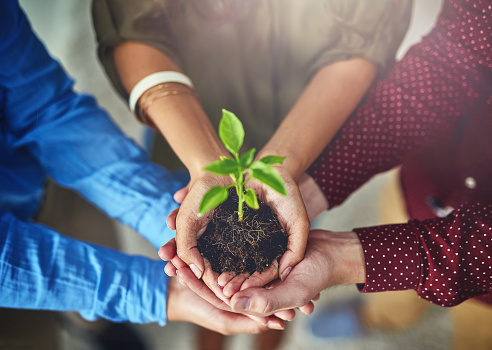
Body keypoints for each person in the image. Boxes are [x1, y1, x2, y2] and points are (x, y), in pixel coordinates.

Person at [171, 0, 492, 348]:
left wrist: (350, 259)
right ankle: (376, 317)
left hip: (485, 283)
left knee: (476, 332)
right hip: (425, 187)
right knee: (392, 301)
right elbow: (457, 59)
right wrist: (310, 188)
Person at [91, 1, 412, 347]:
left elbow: (363, 38)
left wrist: (284, 165)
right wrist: (204, 166)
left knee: (288, 263)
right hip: (188, 124)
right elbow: (132, 28)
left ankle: (267, 338)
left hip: (310, 131)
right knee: (209, 292)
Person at [0, 1, 283, 348]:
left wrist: (183, 222)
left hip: (41, 181)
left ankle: (103, 329)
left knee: (100, 312)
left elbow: (46, 110)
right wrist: (159, 296)